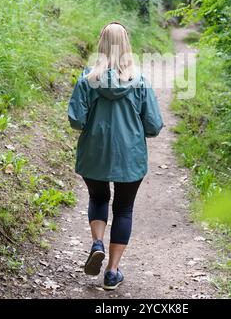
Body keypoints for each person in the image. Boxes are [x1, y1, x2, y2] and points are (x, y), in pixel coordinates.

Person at [67, 21, 163, 290]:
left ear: (101, 44)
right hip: (129, 157)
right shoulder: (139, 81)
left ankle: (97, 242)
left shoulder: (88, 79)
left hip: (94, 154)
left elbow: (76, 120)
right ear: (127, 46)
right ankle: (112, 272)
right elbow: (153, 126)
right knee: (123, 209)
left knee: (98, 198)